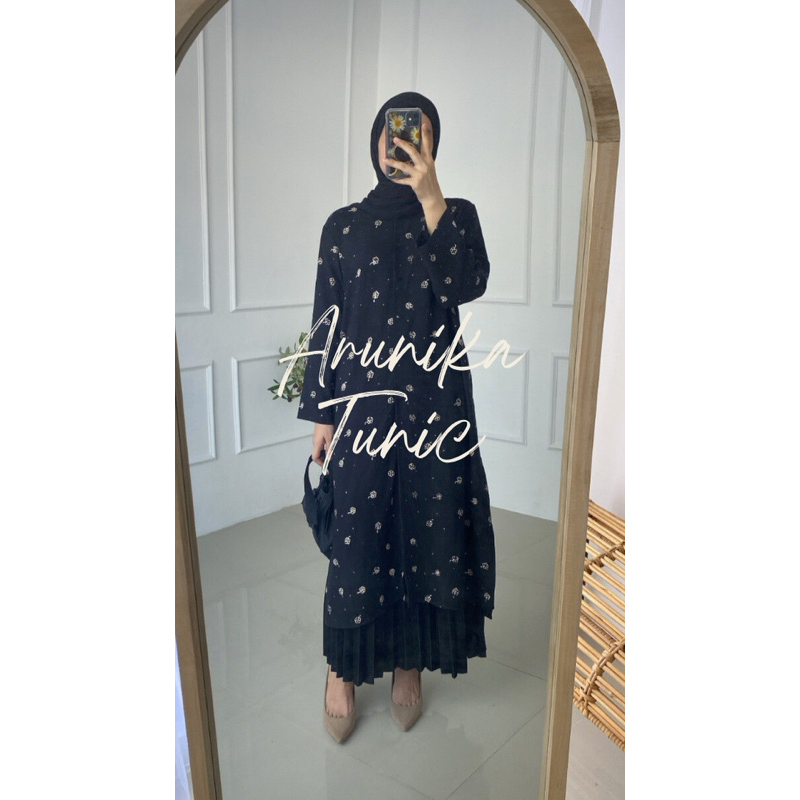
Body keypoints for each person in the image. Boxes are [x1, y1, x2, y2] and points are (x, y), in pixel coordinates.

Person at [296, 91, 496, 742]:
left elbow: (463, 284)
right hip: (361, 410)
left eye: (418, 133)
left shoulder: (455, 215)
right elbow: (326, 322)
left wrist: (432, 197)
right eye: (394, 131)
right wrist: (321, 412)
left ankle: (408, 661)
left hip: (435, 410)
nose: (402, 142)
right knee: (357, 538)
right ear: (376, 140)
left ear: (432, 145)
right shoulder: (342, 226)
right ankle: (342, 670)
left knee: (426, 534)